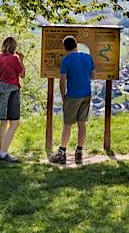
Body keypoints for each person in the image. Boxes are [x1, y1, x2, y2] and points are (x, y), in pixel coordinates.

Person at [49, 35, 95, 165]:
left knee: (67, 125)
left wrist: (64, 96)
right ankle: (79, 153)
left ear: (65, 47)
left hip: (73, 95)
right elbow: (93, 75)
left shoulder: (66, 60)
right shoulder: (88, 57)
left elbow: (62, 81)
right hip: (86, 94)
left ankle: (62, 154)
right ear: (76, 44)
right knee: (82, 124)